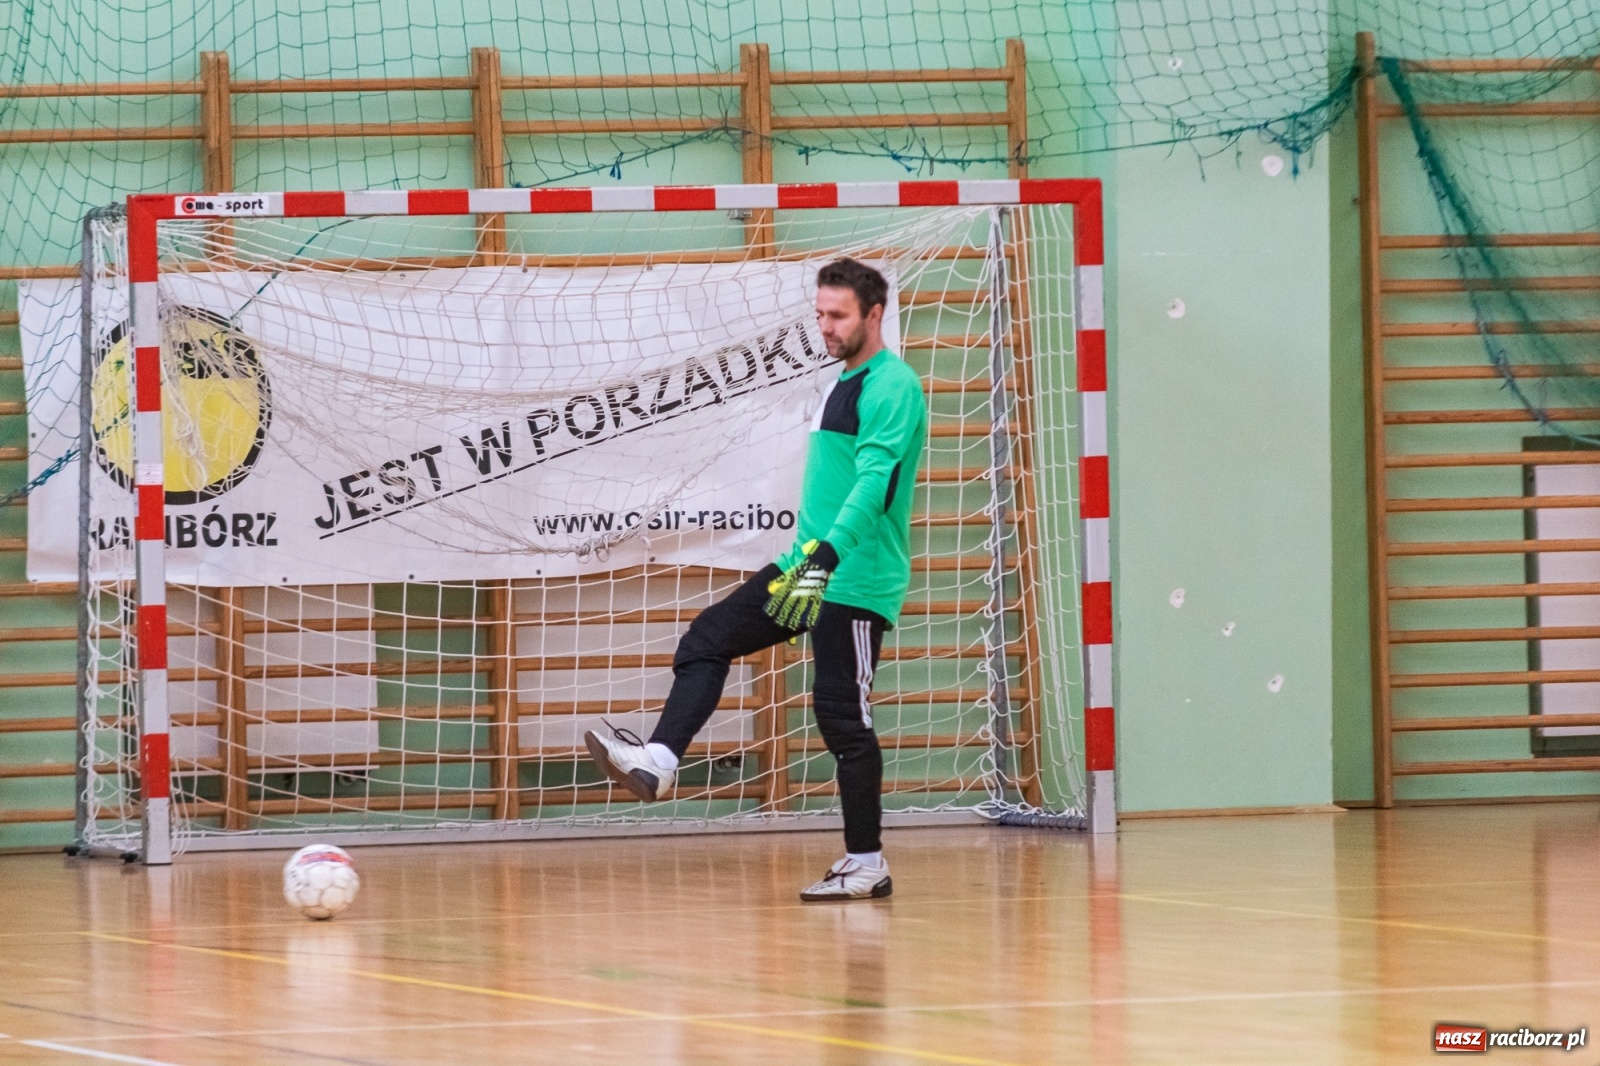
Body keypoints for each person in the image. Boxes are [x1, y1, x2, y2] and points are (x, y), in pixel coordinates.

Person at [585, 258, 928, 901]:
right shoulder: (846, 378)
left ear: (874, 315)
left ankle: (866, 862)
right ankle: (660, 762)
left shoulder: (892, 387)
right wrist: (809, 560)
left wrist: (827, 556)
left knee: (842, 720)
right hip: (810, 568)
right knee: (708, 638)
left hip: (851, 579)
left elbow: (873, 485)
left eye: (838, 316)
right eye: (820, 313)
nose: (824, 326)